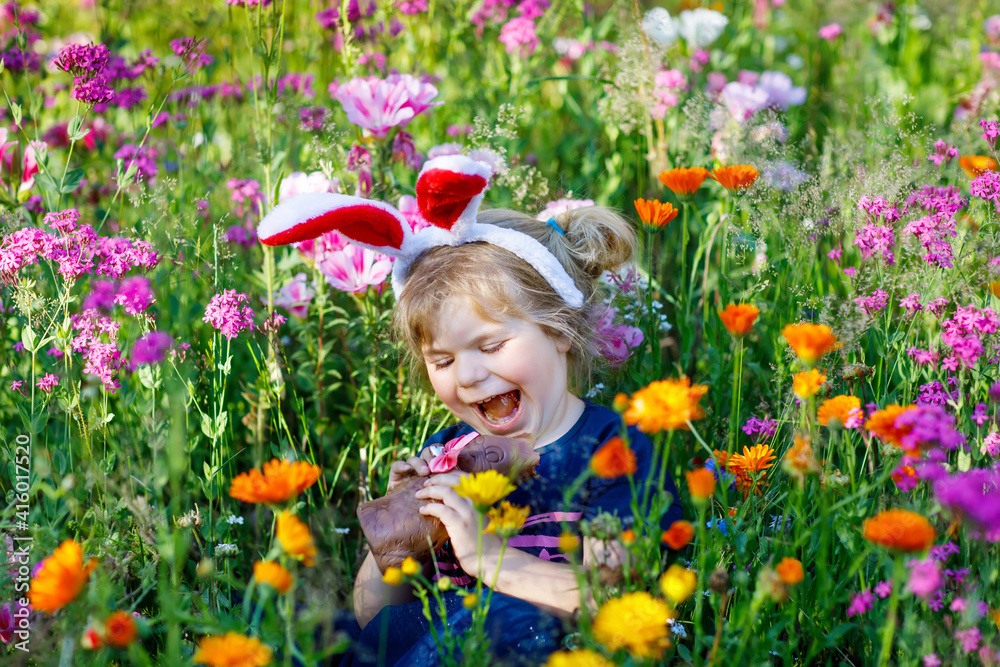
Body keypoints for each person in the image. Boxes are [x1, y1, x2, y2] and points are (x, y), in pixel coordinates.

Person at [257, 156, 683, 666]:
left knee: (506, 617)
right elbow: (377, 616)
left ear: (560, 331)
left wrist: (485, 555)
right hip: (438, 637)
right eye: (442, 359)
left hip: (548, 646)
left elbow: (611, 597)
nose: (468, 376)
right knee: (323, 630)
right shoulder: (449, 452)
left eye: (492, 345)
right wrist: (400, 527)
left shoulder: (612, 449)